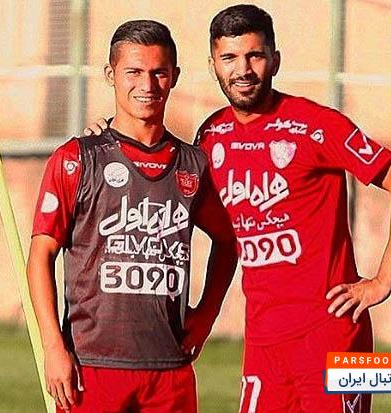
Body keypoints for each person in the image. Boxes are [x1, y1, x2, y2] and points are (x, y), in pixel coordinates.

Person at [86, 5, 391, 413]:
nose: (243, 70)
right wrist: (107, 141)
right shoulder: (211, 135)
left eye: (255, 56)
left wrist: (382, 282)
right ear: (213, 65)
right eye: (229, 58)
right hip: (263, 342)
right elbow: (167, 186)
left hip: (329, 334)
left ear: (275, 60)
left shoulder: (316, 125)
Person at [27, 19, 238, 413]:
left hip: (169, 370)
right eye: (134, 72)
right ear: (111, 75)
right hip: (91, 367)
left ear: (174, 76)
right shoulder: (77, 159)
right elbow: (41, 255)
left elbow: (228, 241)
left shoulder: (194, 165)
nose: (148, 85)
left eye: (159, 72)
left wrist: (206, 314)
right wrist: (53, 347)